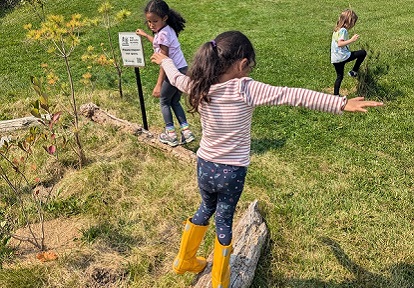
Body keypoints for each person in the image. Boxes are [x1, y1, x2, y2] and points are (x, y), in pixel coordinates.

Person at [151, 31, 383, 288]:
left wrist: (164, 59)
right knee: (224, 221)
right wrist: (339, 104)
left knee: (206, 208)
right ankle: (219, 282)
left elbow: (175, 77)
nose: (250, 71)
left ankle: (184, 260)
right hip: (231, 172)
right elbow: (294, 95)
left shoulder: (198, 85)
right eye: (250, 66)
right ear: (242, 65)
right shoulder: (244, 88)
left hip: (204, 165)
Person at [136, 0, 195, 146]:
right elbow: (158, 42)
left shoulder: (162, 34)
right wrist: (145, 35)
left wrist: (158, 85)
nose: (151, 25)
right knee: (174, 101)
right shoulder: (168, 29)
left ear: (165, 18)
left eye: (154, 21)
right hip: (182, 69)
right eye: (148, 21)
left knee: (164, 101)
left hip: (172, 72)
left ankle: (171, 134)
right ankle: (186, 132)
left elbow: (164, 61)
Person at [331, 9, 367, 96]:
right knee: (363, 53)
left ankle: (335, 96)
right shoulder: (343, 31)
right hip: (342, 56)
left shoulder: (337, 30)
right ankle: (353, 71)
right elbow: (340, 44)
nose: (353, 25)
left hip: (335, 59)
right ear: (349, 21)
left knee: (339, 77)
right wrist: (352, 40)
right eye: (353, 23)